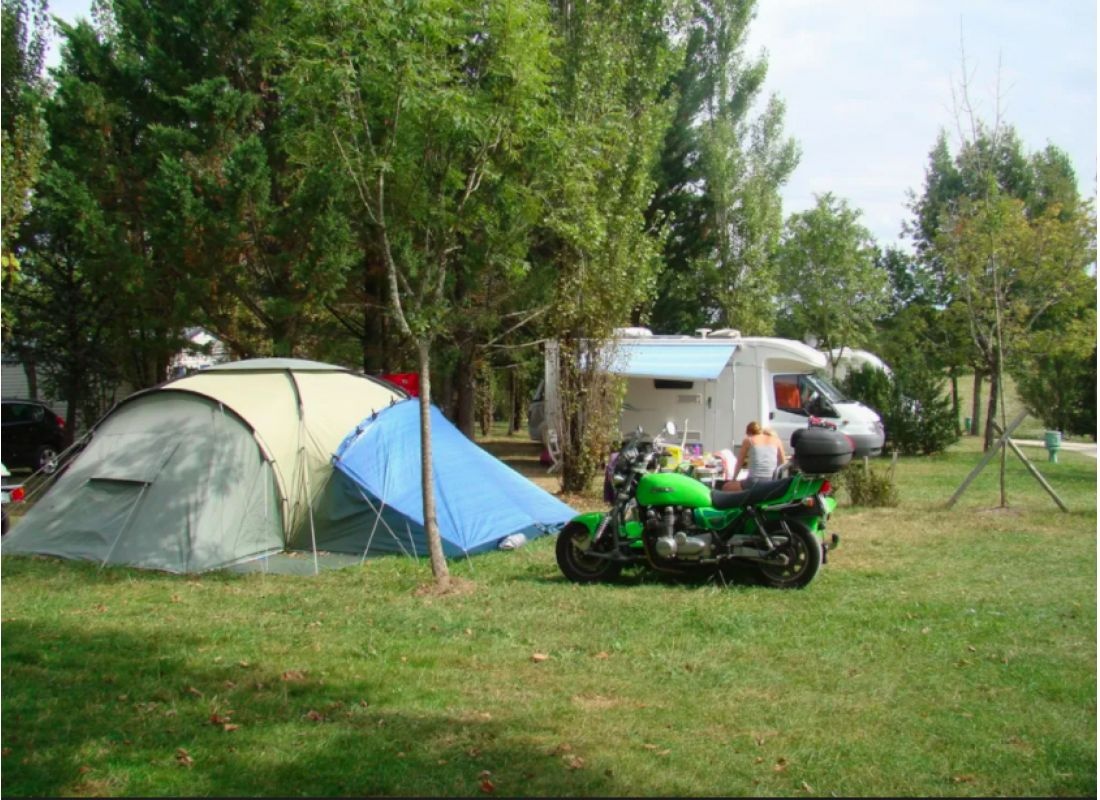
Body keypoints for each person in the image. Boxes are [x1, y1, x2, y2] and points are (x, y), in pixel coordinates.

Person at [721, 421, 785, 491]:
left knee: (726, 487)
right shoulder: (777, 440)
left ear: (749, 433)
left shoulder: (748, 440)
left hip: (754, 481)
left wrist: (733, 479)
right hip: (772, 481)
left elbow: (739, 463)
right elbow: (782, 462)